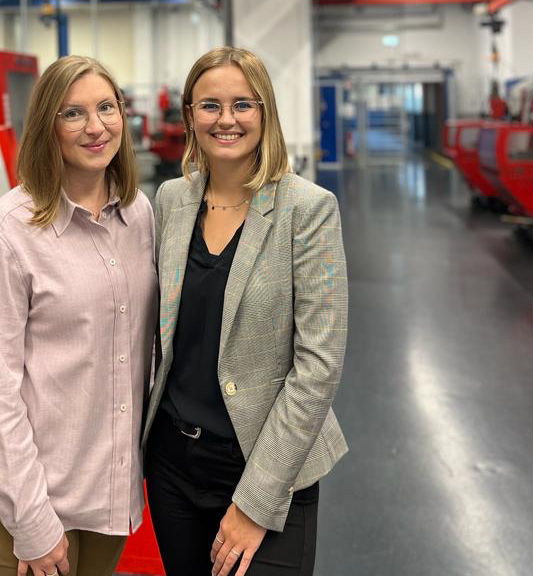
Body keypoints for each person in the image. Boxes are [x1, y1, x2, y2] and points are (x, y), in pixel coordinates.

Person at [0, 55, 158, 576]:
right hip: (14, 502)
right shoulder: (7, 232)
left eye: (106, 107)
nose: (95, 127)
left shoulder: (139, 215)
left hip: (102, 494)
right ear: (47, 127)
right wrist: (32, 522)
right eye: (73, 114)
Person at [143, 47, 348, 576]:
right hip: (173, 467)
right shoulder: (170, 200)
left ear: (266, 112)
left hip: (267, 465)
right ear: (190, 115)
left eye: (243, 104)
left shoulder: (308, 209)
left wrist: (255, 501)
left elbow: (318, 365)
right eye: (210, 105)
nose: (226, 119)